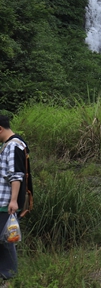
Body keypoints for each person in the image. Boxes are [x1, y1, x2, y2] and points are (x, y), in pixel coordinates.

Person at [0, 115, 26, 280]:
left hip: (6, 202)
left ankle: (10, 276)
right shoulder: (8, 145)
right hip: (3, 200)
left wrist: (14, 200)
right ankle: (5, 273)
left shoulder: (13, 145)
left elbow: (16, 175)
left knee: (6, 239)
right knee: (3, 238)